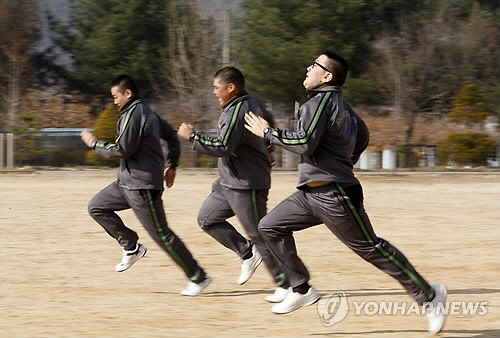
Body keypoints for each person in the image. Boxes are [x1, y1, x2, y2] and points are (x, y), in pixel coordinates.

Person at [244, 52, 447, 334]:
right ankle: (301, 288)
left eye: (313, 65)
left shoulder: (319, 103)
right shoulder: (343, 107)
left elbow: (304, 143)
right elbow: (362, 136)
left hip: (334, 195)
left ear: (327, 76)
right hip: (308, 195)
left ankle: (430, 295)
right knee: (269, 227)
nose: (307, 67)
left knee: (371, 248)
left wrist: (268, 133)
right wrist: (342, 160)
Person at [81, 74, 211, 296]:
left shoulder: (134, 114)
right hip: (126, 183)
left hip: (142, 187)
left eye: (116, 96)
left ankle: (198, 277)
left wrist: (94, 143)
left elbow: (123, 149)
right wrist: (172, 165)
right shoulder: (146, 112)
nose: (114, 101)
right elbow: (170, 135)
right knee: (97, 206)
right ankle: (131, 246)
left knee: (161, 234)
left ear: (128, 94)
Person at [178, 66, 290, 303]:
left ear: (231, 88)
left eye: (216, 88)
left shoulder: (237, 111)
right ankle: (246, 253)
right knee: (207, 219)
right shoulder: (251, 102)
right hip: (230, 181)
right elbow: (267, 123)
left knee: (259, 233)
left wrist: (192, 137)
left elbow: (222, 146)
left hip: (246, 183)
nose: (214, 92)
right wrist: (269, 150)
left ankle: (287, 284)